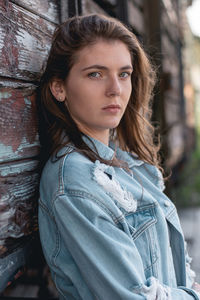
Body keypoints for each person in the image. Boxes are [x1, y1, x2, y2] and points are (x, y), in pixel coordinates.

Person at [37, 13, 200, 300]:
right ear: (59, 87)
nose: (116, 89)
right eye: (95, 74)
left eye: (123, 74)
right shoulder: (75, 184)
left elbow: (173, 267)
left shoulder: (124, 163)